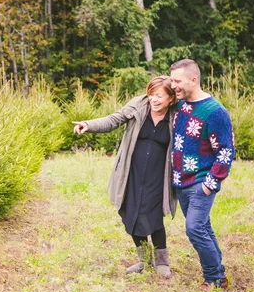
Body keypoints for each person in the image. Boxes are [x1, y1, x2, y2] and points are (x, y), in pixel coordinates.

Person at [73, 76, 177, 278]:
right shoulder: (138, 106)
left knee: (153, 216)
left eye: (159, 96)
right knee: (131, 213)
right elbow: (114, 119)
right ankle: (144, 260)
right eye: (151, 94)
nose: (153, 100)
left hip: (158, 175)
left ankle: (162, 262)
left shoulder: (176, 115)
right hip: (132, 172)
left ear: (171, 99)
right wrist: (89, 124)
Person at [169, 59, 235, 291]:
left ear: (193, 80)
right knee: (203, 227)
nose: (173, 85)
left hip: (201, 181)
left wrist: (211, 182)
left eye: (177, 81)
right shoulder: (180, 106)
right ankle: (220, 276)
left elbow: (226, 150)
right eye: (172, 80)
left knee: (194, 228)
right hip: (181, 182)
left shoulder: (215, 112)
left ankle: (213, 279)